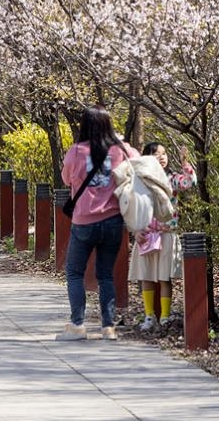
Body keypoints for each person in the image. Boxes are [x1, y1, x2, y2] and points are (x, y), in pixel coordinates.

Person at [57, 105, 139, 341]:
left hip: (84, 221)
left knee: (74, 272)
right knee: (105, 275)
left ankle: (78, 325)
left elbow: (65, 178)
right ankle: (108, 327)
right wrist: (122, 142)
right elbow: (137, 160)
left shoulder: (76, 151)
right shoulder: (118, 151)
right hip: (113, 220)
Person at [129, 142, 197, 331]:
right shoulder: (139, 180)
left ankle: (165, 316)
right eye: (157, 154)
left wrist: (185, 162)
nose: (162, 157)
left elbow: (190, 182)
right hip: (145, 234)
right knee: (146, 277)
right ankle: (149, 316)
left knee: (164, 277)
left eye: (164, 154)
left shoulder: (171, 179)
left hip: (167, 234)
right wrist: (134, 230)